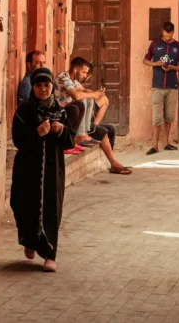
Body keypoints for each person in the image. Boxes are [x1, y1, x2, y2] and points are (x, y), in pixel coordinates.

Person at [10, 68, 76, 272]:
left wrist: (62, 130)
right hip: (27, 169)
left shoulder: (61, 112)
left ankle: (49, 254)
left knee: (51, 209)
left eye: (46, 85)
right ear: (33, 88)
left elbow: (70, 142)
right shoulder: (23, 112)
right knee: (24, 205)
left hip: (52, 170)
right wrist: (36, 133)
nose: (43, 89)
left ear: (52, 87)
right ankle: (30, 241)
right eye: (38, 85)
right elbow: (18, 140)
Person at [56, 57, 132, 175]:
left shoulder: (74, 81)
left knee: (109, 130)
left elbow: (83, 90)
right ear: (75, 70)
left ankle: (110, 162)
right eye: (84, 72)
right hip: (65, 119)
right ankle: (83, 137)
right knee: (102, 131)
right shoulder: (63, 78)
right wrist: (92, 95)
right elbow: (77, 96)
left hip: (77, 120)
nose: (85, 76)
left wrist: (96, 93)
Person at [142, 20, 179, 155]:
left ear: (173, 33)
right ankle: (155, 145)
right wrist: (155, 64)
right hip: (158, 86)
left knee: (169, 116)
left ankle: (166, 143)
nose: (168, 38)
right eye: (166, 35)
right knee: (157, 117)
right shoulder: (155, 44)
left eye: (170, 35)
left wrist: (173, 67)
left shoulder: (178, 46)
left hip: (172, 86)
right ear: (162, 32)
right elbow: (145, 60)